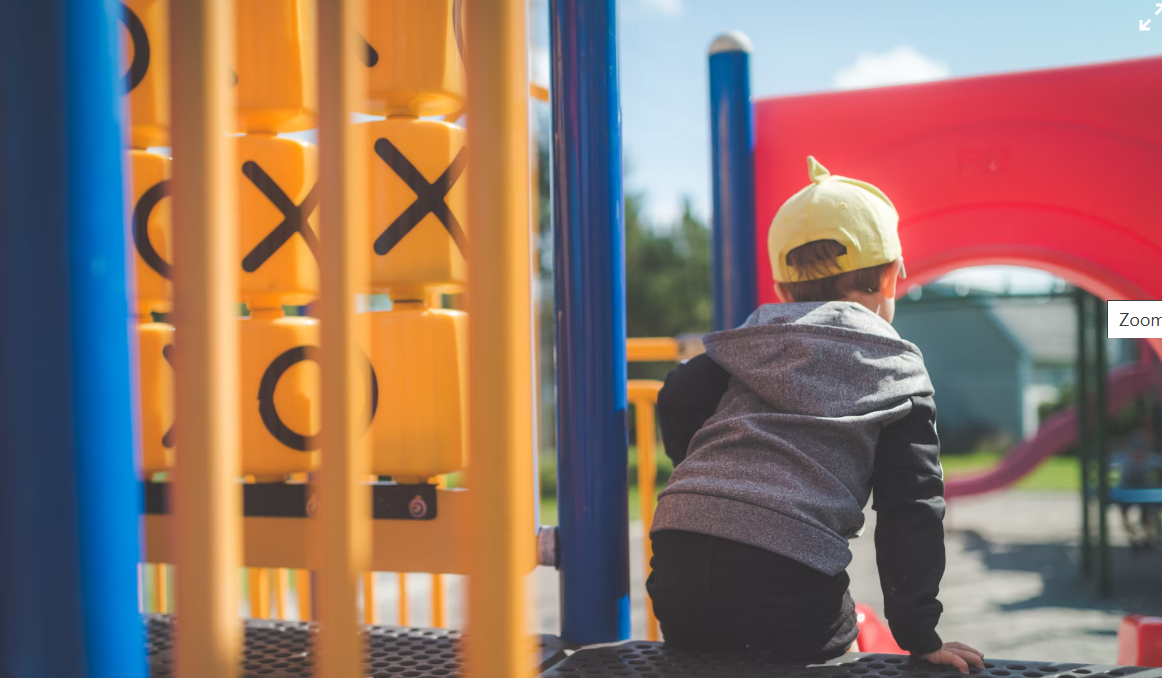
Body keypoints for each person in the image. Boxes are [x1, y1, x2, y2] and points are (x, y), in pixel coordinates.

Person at [646, 157, 983, 672]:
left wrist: (708, 477)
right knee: (839, 646)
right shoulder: (896, 368)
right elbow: (911, 506)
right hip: (787, 566)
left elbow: (676, 395)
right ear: (891, 277)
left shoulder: (746, 344)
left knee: (702, 661)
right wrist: (919, 633)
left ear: (783, 291)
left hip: (678, 553)